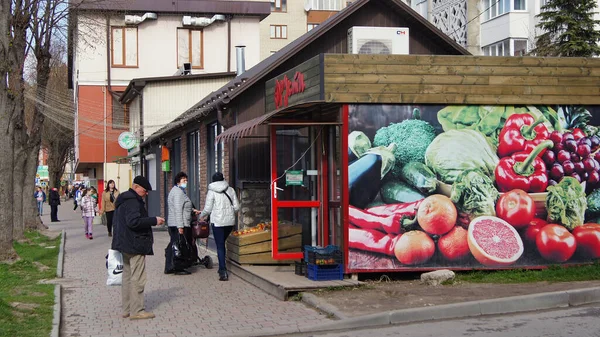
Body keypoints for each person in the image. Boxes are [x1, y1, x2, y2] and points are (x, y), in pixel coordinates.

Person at [111, 176, 165, 320]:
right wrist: (154, 220)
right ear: (136, 187)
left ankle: (127, 309)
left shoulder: (123, 199)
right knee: (138, 278)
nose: (146, 193)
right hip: (135, 244)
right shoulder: (133, 201)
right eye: (144, 190)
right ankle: (137, 310)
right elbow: (133, 222)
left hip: (124, 243)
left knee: (127, 276)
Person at [199, 172, 240, 281]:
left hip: (217, 222)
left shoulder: (211, 192)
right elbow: (237, 207)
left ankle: (223, 271)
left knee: (220, 246)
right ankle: (222, 267)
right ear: (223, 179)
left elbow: (207, 209)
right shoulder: (230, 190)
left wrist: (201, 215)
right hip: (229, 223)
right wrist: (230, 214)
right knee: (222, 243)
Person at [165, 172, 198, 275]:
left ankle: (170, 266)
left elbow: (183, 207)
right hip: (179, 223)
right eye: (184, 180)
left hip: (176, 222)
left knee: (174, 244)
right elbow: (178, 210)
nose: (186, 182)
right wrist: (180, 226)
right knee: (179, 245)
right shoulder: (178, 192)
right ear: (178, 181)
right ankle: (178, 266)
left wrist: (192, 210)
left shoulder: (179, 191)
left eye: (186, 180)